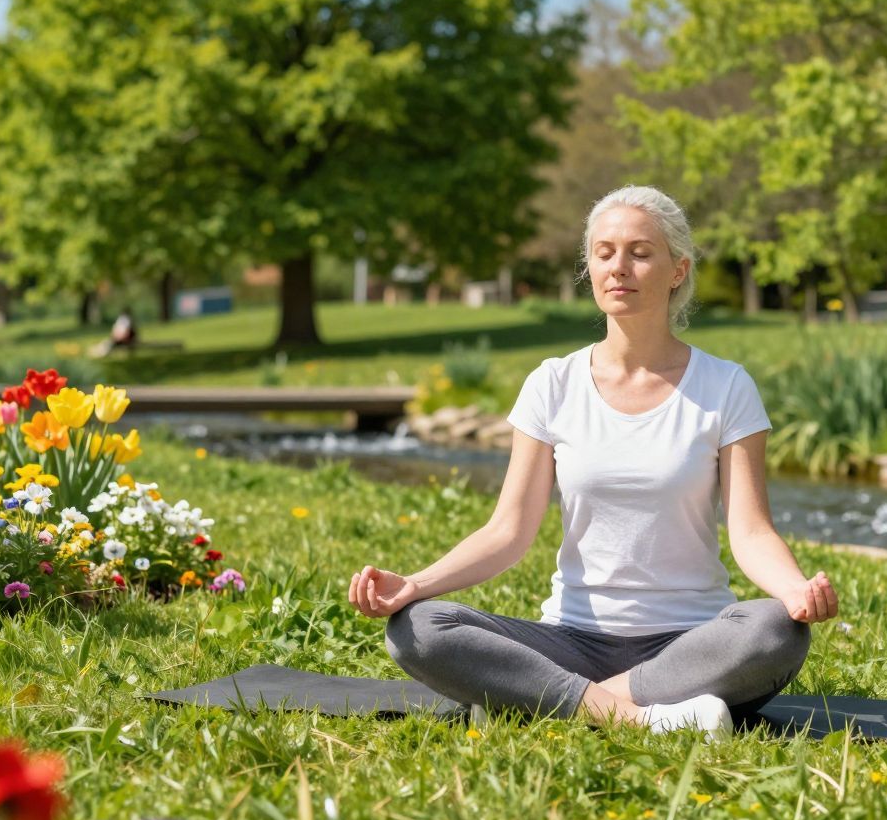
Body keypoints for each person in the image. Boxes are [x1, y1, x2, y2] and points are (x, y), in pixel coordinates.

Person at [348, 185, 839, 739]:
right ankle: (639, 719)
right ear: (589, 266)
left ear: (677, 270)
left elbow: (751, 531)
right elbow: (508, 532)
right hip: (570, 640)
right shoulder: (552, 384)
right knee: (418, 627)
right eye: (604, 252)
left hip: (688, 644)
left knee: (776, 629)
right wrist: (415, 584)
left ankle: (535, 699)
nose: (619, 267)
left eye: (640, 252)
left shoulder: (726, 386)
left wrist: (795, 589)